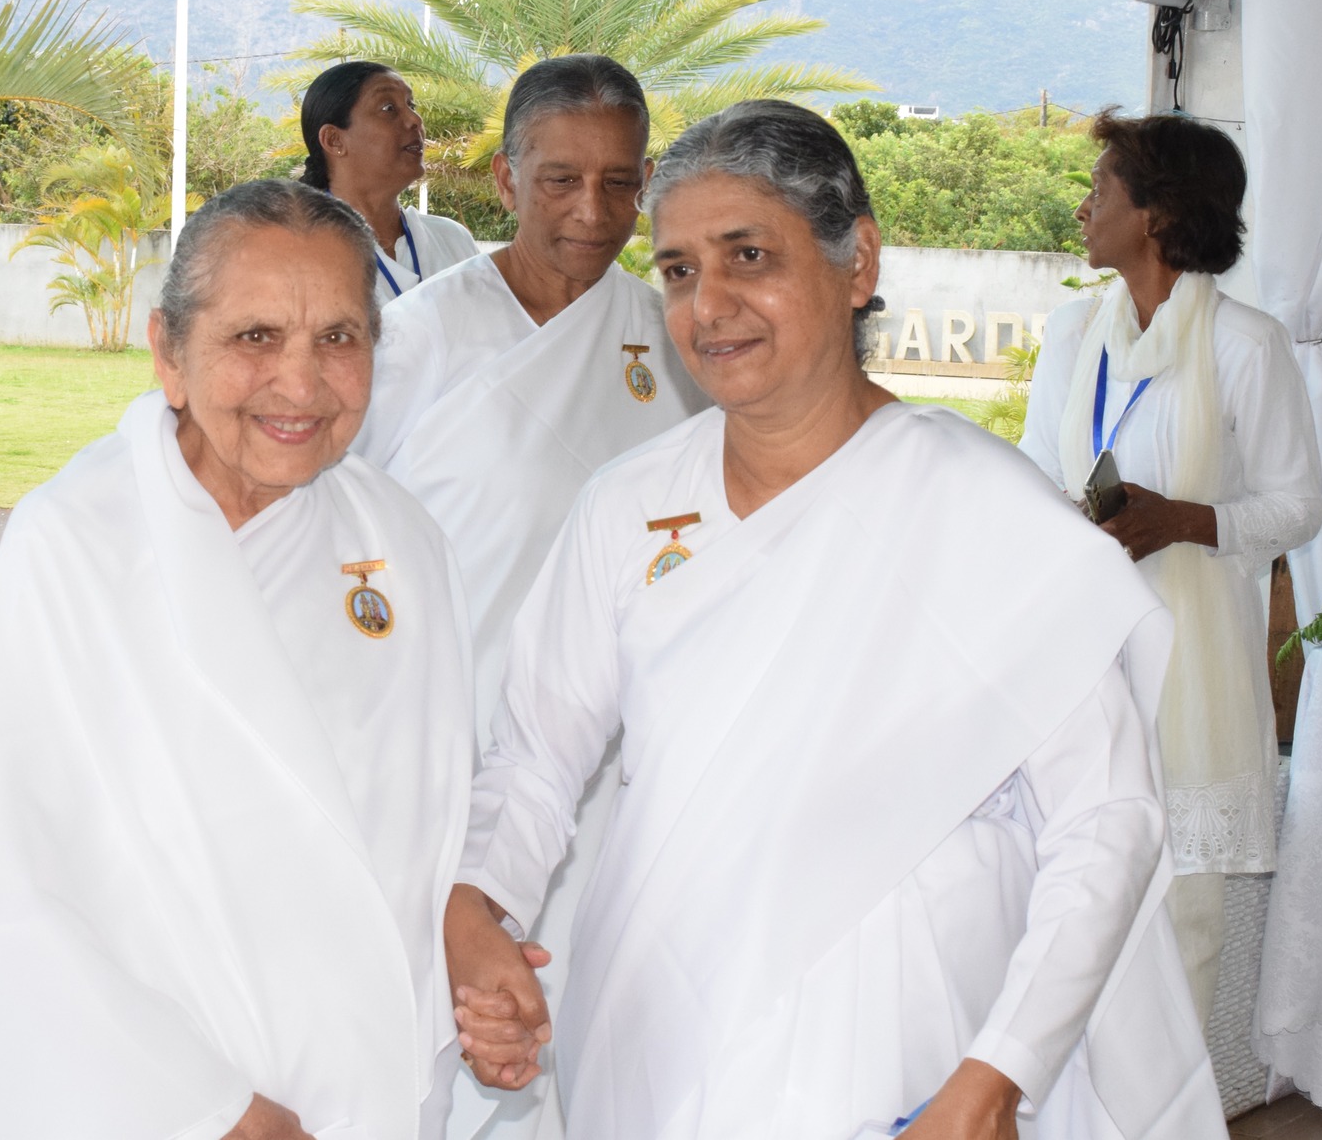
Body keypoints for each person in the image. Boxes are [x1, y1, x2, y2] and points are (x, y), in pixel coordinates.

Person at [446, 101, 1227, 1140]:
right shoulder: (625, 507)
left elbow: (1107, 818)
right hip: (656, 1028)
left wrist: (999, 1071)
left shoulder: (986, 509)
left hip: (909, 1045)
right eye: (677, 269)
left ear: (856, 260)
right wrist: (474, 905)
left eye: (749, 255)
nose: (708, 305)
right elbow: (537, 758)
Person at [0, 180, 476, 1140]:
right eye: (256, 336)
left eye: (339, 337)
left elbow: (432, 821)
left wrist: (471, 948)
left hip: (362, 1091)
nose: (301, 383)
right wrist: (215, 1107)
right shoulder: (75, 544)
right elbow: (1, 876)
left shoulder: (404, 543)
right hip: (152, 1097)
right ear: (169, 353)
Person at [354, 53, 708, 1138]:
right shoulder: (422, 335)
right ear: (506, 179)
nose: (592, 211)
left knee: (603, 1039)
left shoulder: (678, 336)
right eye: (560, 179)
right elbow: (347, 535)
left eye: (618, 181)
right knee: (452, 1034)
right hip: (455, 748)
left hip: (624, 758)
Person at [1018, 111, 1322, 1028]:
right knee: (1078, 885)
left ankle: (1174, 1092)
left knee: (1185, 910)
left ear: (1154, 214)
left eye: (1100, 188)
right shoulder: (1074, 331)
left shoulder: (1246, 344)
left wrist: (1182, 521)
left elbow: (1299, 505)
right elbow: (1036, 470)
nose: (1083, 207)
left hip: (1194, 661)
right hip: (1083, 648)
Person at [301, 60, 480, 301]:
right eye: (388, 109)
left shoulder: (451, 240)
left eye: (411, 105)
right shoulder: (299, 251)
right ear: (334, 140)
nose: (415, 120)